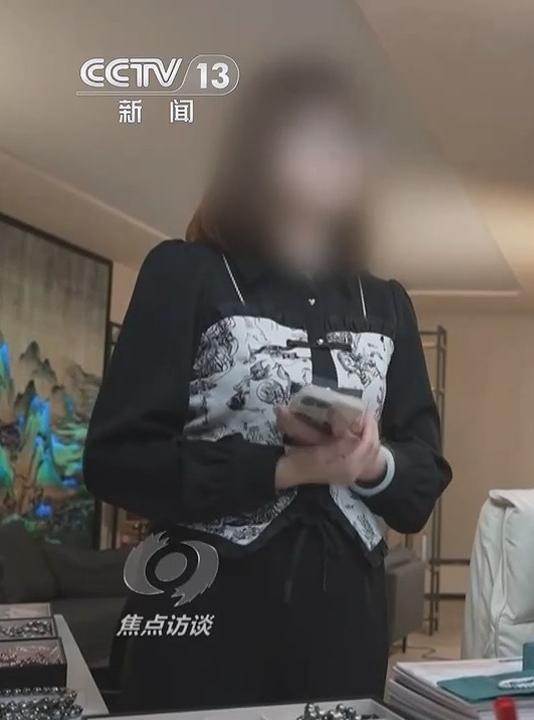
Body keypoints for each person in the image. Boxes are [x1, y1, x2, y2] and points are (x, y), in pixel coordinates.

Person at [84, 61, 451, 711]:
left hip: (346, 624)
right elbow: (116, 460)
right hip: (202, 613)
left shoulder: (387, 302)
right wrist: (287, 468)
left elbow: (421, 479)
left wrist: (371, 462)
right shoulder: (186, 273)